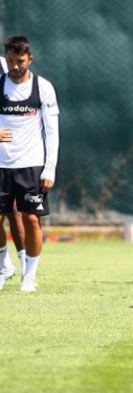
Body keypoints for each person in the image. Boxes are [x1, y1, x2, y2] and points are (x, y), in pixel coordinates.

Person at [0, 36, 60, 292]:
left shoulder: (43, 87)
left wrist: (50, 168)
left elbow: (52, 131)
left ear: (30, 59)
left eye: (20, 61)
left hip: (32, 165)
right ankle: (4, 266)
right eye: (10, 61)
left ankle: (30, 276)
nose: (15, 66)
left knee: (31, 219)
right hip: (2, 165)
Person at [0, 55, 26, 286]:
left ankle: (27, 267)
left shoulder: (4, 65)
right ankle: (4, 265)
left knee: (15, 211)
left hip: (9, 154)